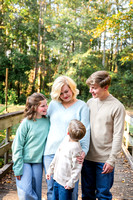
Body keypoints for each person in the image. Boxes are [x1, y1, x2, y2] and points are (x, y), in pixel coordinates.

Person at [43, 75, 90, 200]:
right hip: (51, 152)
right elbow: (42, 121)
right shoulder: (53, 105)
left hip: (71, 154)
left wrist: (83, 151)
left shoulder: (82, 106)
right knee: (51, 190)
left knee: (70, 190)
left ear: (72, 89)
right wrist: (27, 119)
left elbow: (86, 130)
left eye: (66, 91)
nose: (64, 95)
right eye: (61, 93)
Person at [81, 70, 125, 200]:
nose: (90, 91)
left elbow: (118, 135)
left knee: (103, 195)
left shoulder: (117, 107)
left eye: (94, 88)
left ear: (105, 87)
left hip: (104, 160)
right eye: (90, 87)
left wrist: (111, 160)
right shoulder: (89, 102)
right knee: (87, 194)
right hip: (87, 158)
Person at [12, 93, 50, 200]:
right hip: (24, 161)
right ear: (34, 107)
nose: (46, 107)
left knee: (36, 190)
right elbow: (17, 145)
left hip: (38, 161)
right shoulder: (26, 123)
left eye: (46, 105)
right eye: (43, 106)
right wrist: (17, 166)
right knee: (25, 192)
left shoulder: (47, 121)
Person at [46, 119, 86, 200]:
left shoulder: (76, 148)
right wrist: (50, 169)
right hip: (56, 179)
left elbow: (77, 168)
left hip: (65, 184)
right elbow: (57, 156)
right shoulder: (66, 140)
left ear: (68, 131)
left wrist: (71, 182)